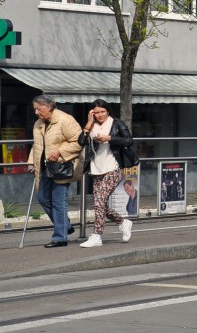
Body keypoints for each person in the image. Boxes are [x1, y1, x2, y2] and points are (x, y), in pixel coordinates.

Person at [27, 94, 82, 247]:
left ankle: (60, 238)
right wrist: (32, 161)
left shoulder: (65, 120)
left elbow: (79, 141)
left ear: (49, 106)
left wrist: (60, 151)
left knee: (59, 202)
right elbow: (37, 145)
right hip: (45, 168)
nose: (36, 112)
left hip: (61, 167)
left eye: (38, 109)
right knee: (43, 198)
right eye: (35, 109)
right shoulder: (39, 123)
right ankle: (66, 226)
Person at [78, 99, 134, 247]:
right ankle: (123, 222)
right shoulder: (92, 126)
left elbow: (129, 140)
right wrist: (89, 123)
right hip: (96, 169)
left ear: (108, 111)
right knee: (99, 204)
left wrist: (110, 138)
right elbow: (81, 142)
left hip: (113, 168)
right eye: (96, 113)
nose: (100, 115)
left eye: (103, 112)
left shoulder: (116, 123)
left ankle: (97, 235)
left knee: (99, 202)